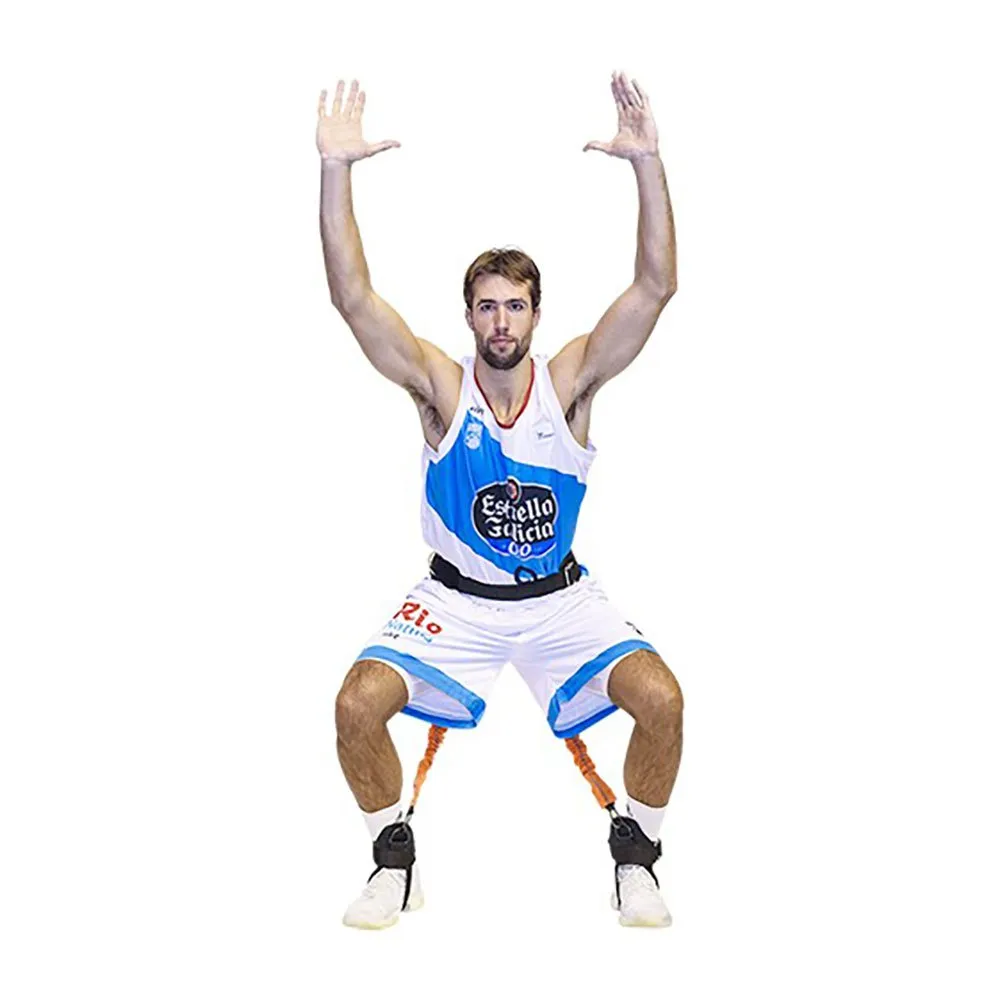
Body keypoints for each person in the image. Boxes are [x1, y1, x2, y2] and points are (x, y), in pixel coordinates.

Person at [317, 72, 682, 929]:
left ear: (535, 313)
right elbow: (353, 299)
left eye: (515, 306)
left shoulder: (570, 383)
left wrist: (648, 162)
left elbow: (655, 288)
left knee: (663, 700)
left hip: (560, 601)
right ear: (470, 316)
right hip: (456, 601)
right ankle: (392, 860)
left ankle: (638, 858)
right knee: (356, 705)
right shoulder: (444, 391)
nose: (501, 322)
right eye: (487, 307)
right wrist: (336, 171)